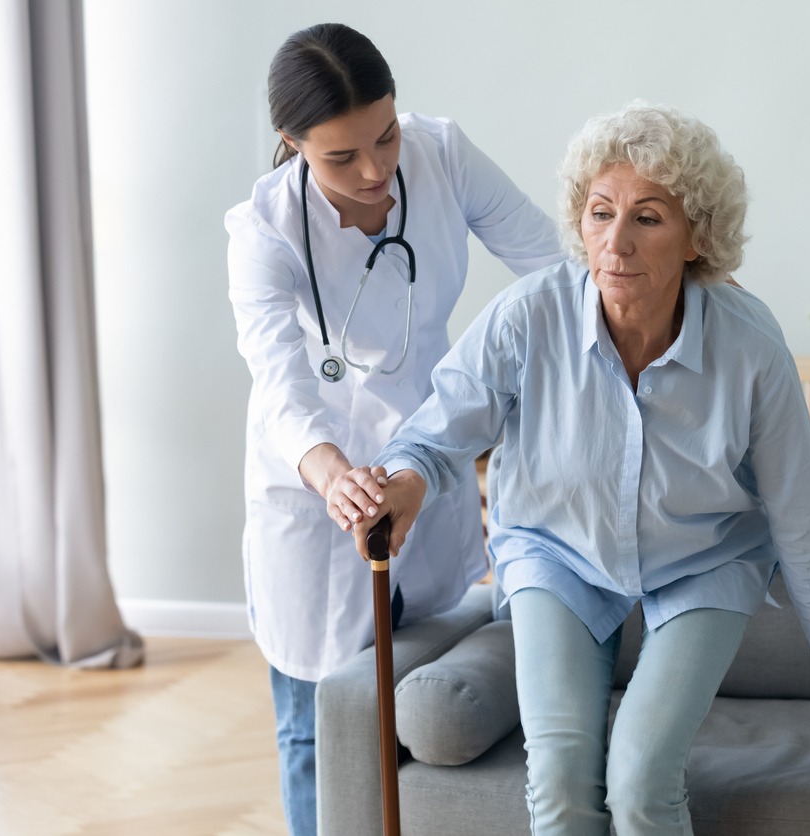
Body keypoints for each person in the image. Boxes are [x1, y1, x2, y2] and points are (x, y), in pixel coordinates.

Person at [349, 101, 810, 835]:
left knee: (641, 778)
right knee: (560, 780)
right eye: (600, 213)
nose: (615, 243)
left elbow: (804, 523)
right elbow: (436, 432)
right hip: (557, 552)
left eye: (647, 218)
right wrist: (404, 485)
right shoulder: (527, 317)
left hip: (704, 559)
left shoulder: (749, 347)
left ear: (696, 239)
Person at [224, 23, 564, 836]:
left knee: (421, 698)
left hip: (429, 452)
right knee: (316, 724)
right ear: (292, 142)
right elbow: (278, 378)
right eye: (342, 157)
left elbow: (551, 269)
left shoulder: (442, 154)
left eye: (385, 136)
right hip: (312, 487)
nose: (377, 170)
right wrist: (332, 470)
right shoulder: (264, 228)